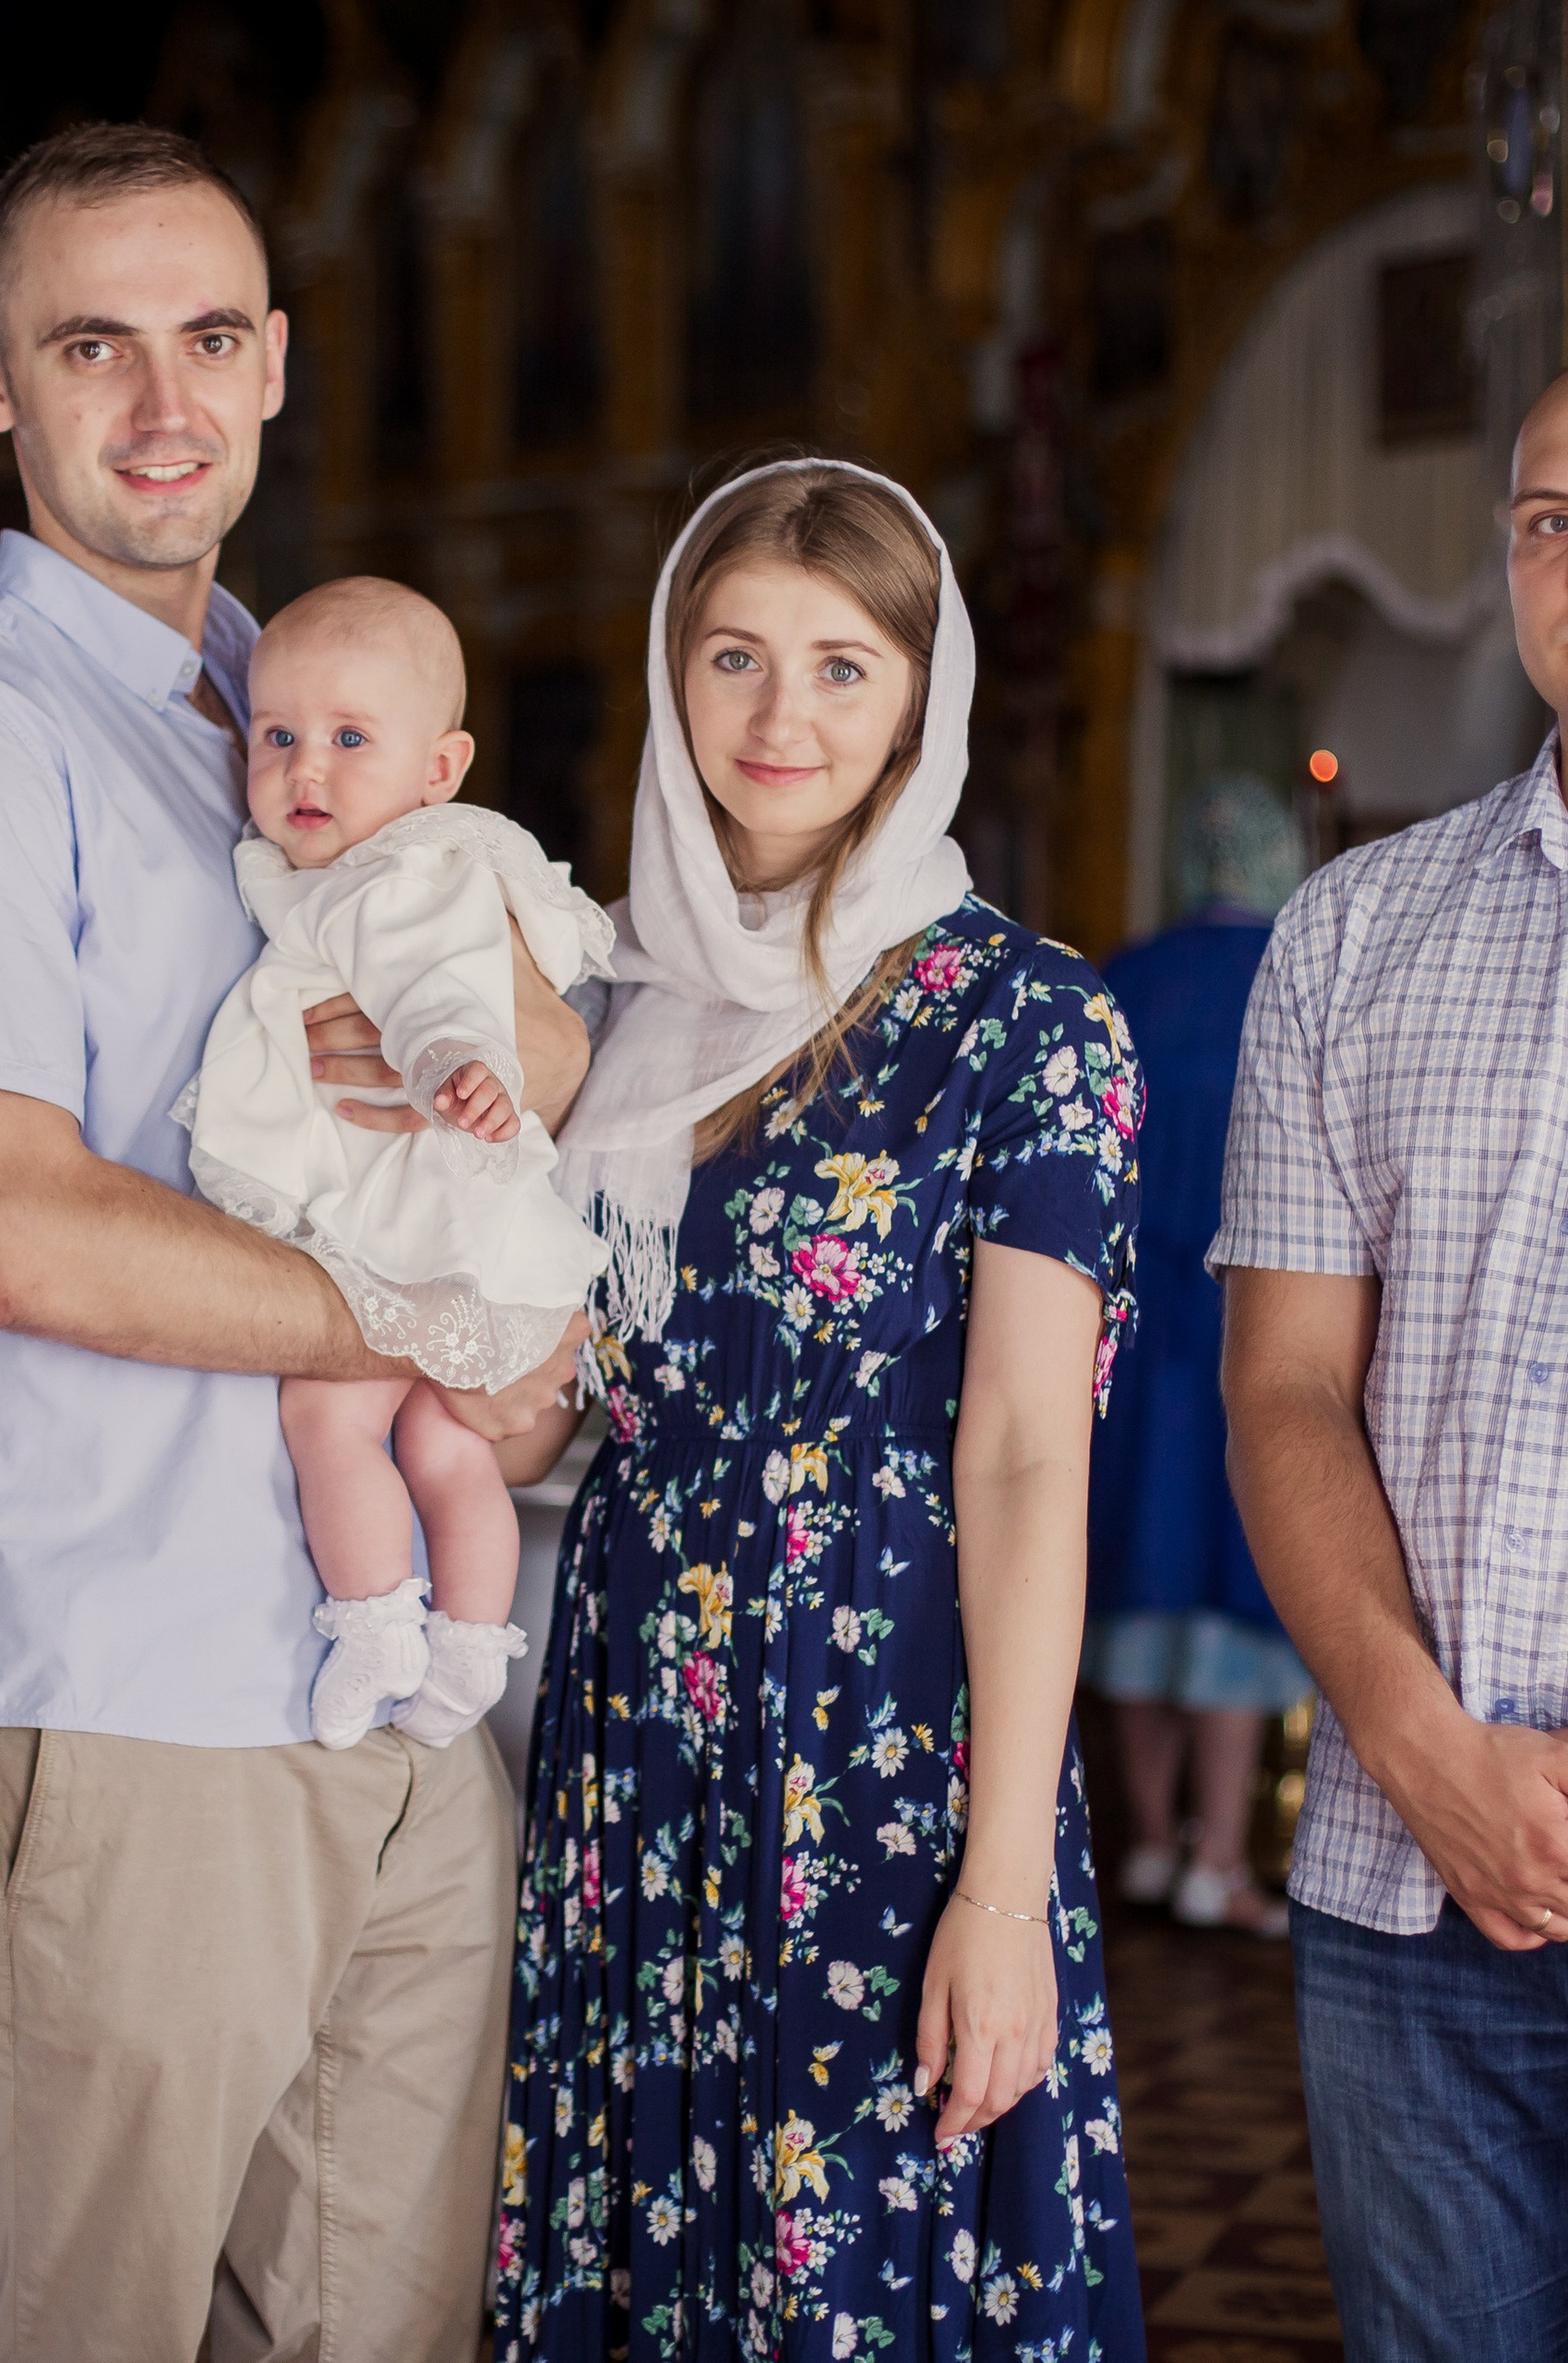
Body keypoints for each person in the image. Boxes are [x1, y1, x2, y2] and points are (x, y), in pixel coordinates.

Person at [0, 126, 589, 2363]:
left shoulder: (290, 704)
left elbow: (530, 1033)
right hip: (113, 1695)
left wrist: (499, 1288)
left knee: (386, 2329)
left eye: (209, 338)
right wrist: (428, 1315)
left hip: (391, 1690)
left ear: (273, 362)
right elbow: (3, 1229)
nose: (162, 403)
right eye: (92, 344)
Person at [491, 459, 1147, 2361]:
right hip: (631, 1738)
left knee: (872, 2262)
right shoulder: (592, 1002)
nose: (781, 717)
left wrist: (1002, 1887)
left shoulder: (1021, 1019)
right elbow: (540, 1408)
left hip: (887, 1752)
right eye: (733, 657)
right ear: (667, 678)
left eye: (842, 667)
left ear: (917, 698)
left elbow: (1027, 1455)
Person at [1219, 333, 1568, 2357]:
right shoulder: (1349, 935)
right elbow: (1280, 1389)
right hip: (1406, 1878)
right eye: (1548, 523)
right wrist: (1424, 1755)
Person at [178, 577, 615, 1749]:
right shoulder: (382, 862)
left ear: (440, 766)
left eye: (349, 739)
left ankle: (373, 1620)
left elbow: (435, 996)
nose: (304, 771)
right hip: (449, 1218)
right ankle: (469, 1647)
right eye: (278, 737)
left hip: (415, 1221)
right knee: (439, 1440)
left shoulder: (399, 874)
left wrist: (455, 1064)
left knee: (329, 1414)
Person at [1085, 774, 1311, 1937]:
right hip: (1256, 1324)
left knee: (1131, 1581)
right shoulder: (1300, 970)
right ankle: (1219, 1854)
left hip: (1123, 1335)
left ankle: (1146, 1840)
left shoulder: (1122, 977)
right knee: (1232, 1594)